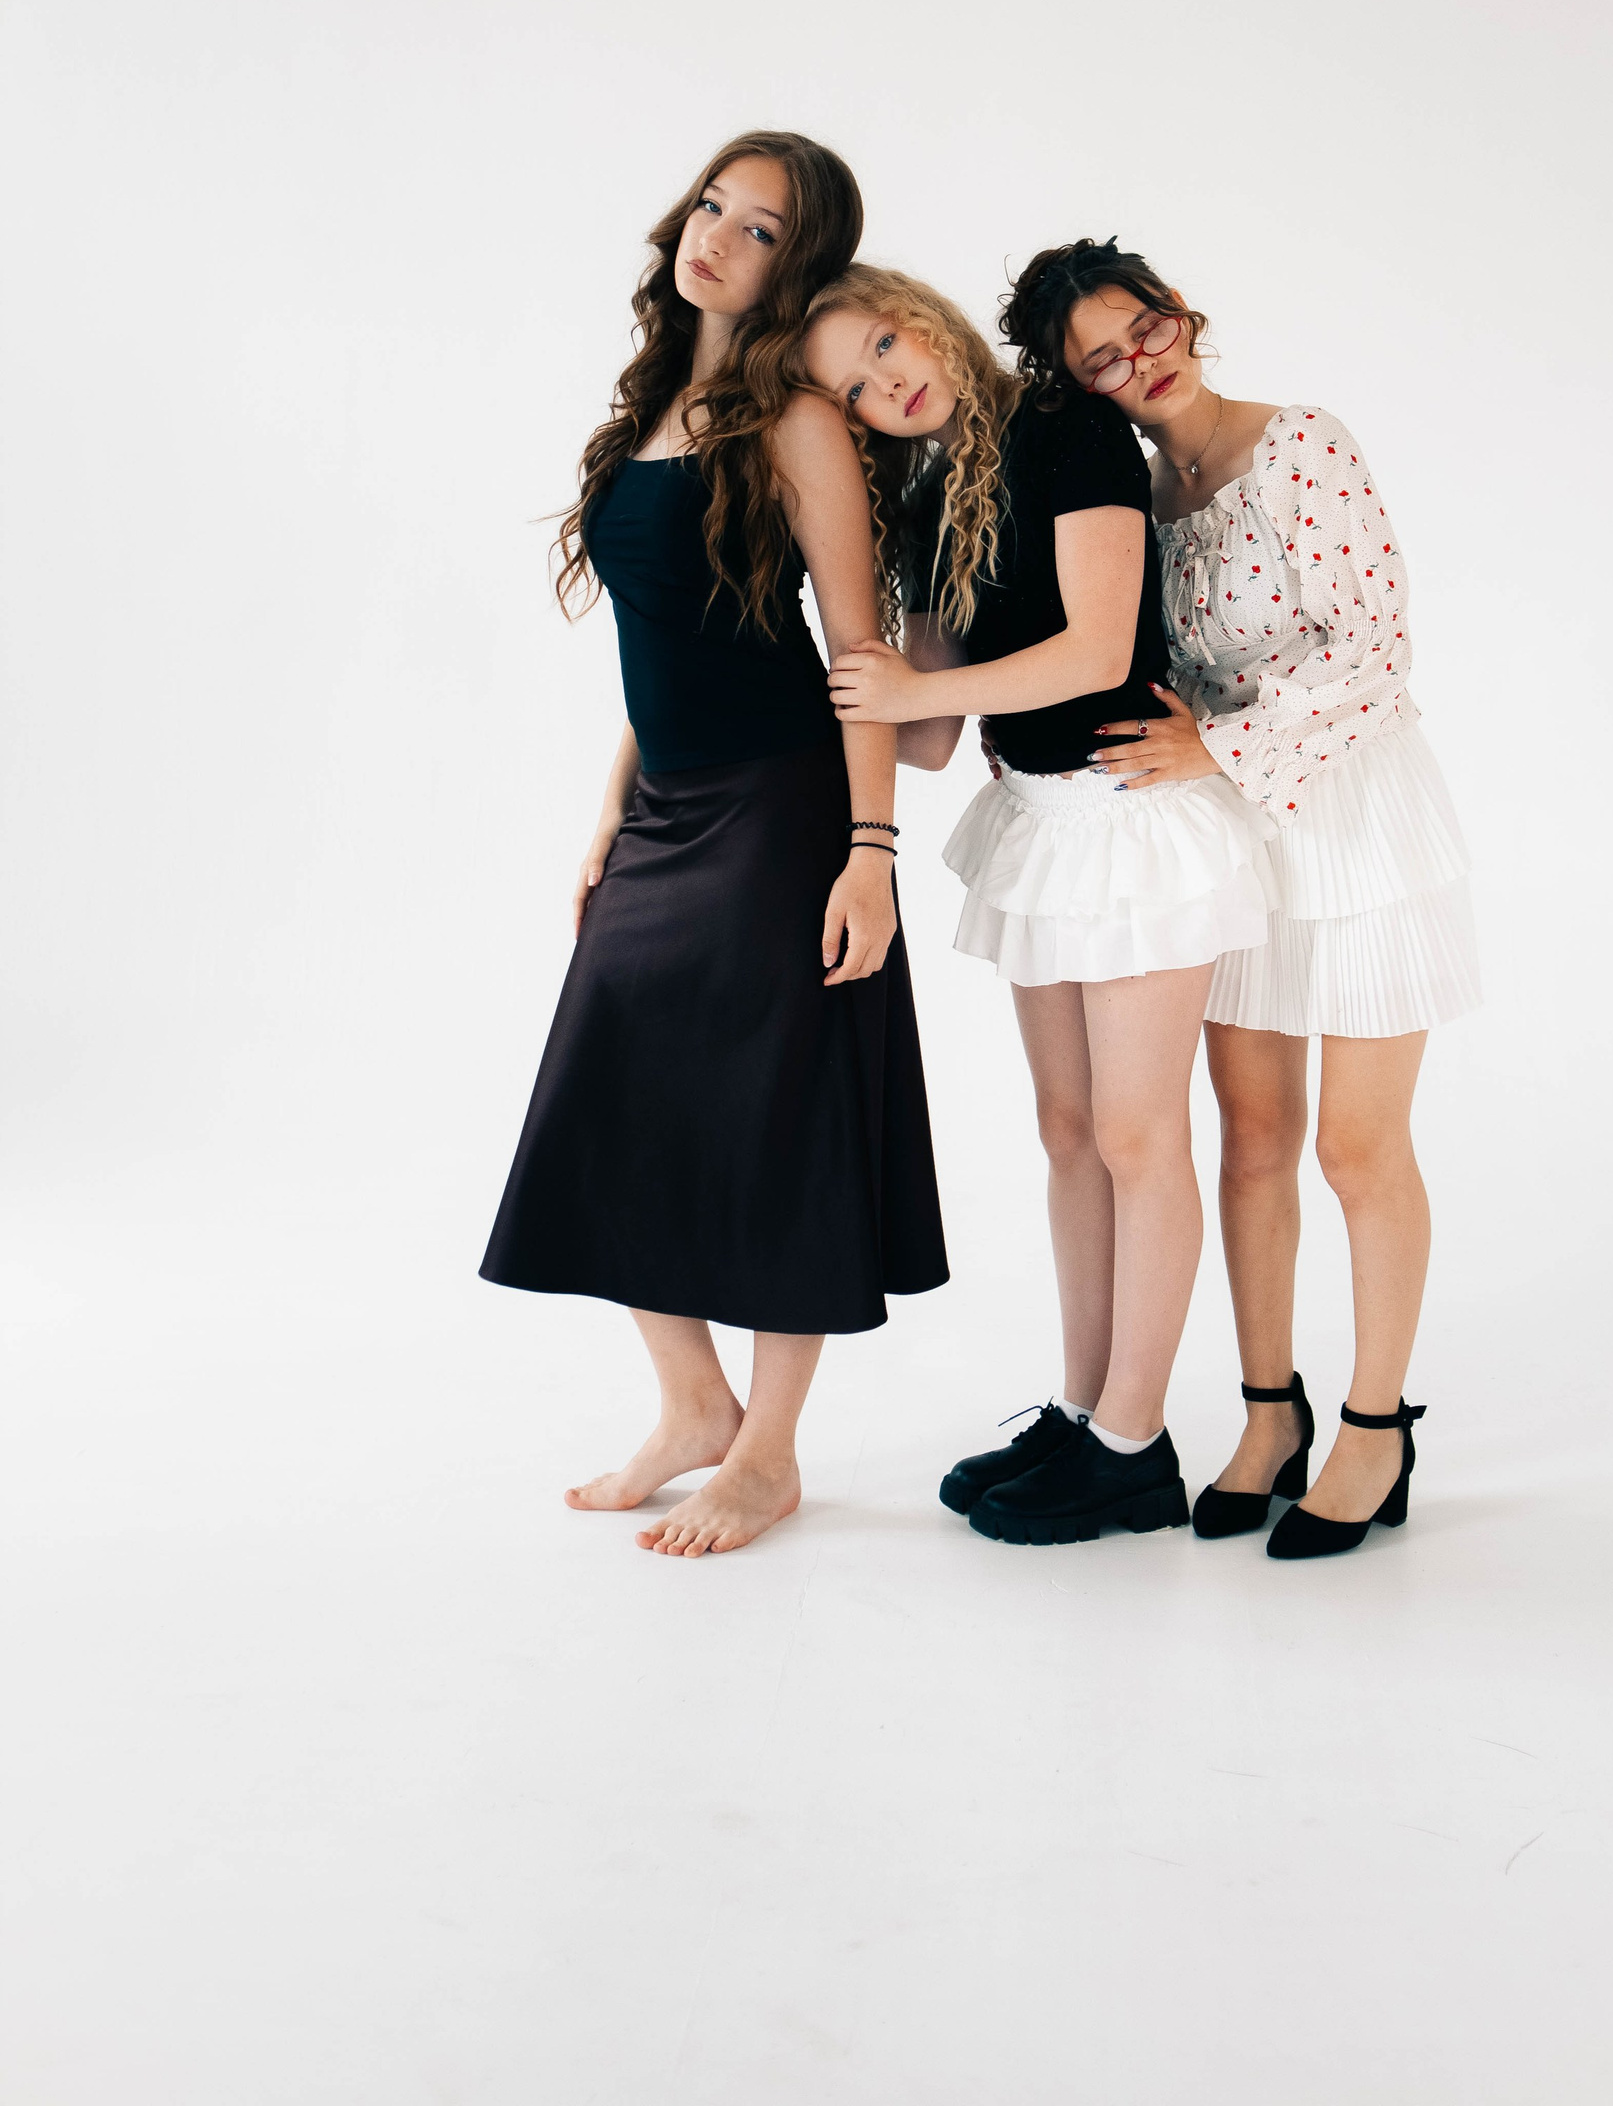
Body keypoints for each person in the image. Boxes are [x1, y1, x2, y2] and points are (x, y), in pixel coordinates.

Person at [480, 136, 947, 1558]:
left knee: (778, 1119)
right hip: (669, 806)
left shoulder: (797, 422)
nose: (719, 239)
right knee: (616, 1088)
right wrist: (612, 810)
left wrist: (871, 850)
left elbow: (856, 655)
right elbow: (663, 641)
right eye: (712, 207)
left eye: (760, 229)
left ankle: (769, 1452)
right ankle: (692, 1405)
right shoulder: (648, 411)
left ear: (796, 265)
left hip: (781, 806)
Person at [802, 260, 1277, 1546]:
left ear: (924, 317)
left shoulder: (1067, 428)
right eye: (857, 388)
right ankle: (1083, 1414)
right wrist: (821, 674)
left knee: (1136, 1134)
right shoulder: (921, 499)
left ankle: (1134, 1443)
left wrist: (911, 691)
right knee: (1068, 1131)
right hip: (1038, 820)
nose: (890, 383)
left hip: (1133, 818)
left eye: (887, 343)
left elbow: (1096, 647)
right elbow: (929, 734)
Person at [1039, 237, 1480, 1559]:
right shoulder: (1143, 495)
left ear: (1184, 314)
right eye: (1102, 361)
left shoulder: (1301, 445)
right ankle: (1267, 1413)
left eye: (1147, 327)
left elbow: (1377, 649)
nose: (1141, 363)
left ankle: (1375, 1427)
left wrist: (1218, 745)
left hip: (1356, 821)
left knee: (1357, 1146)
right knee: (1251, 1137)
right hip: (1231, 833)